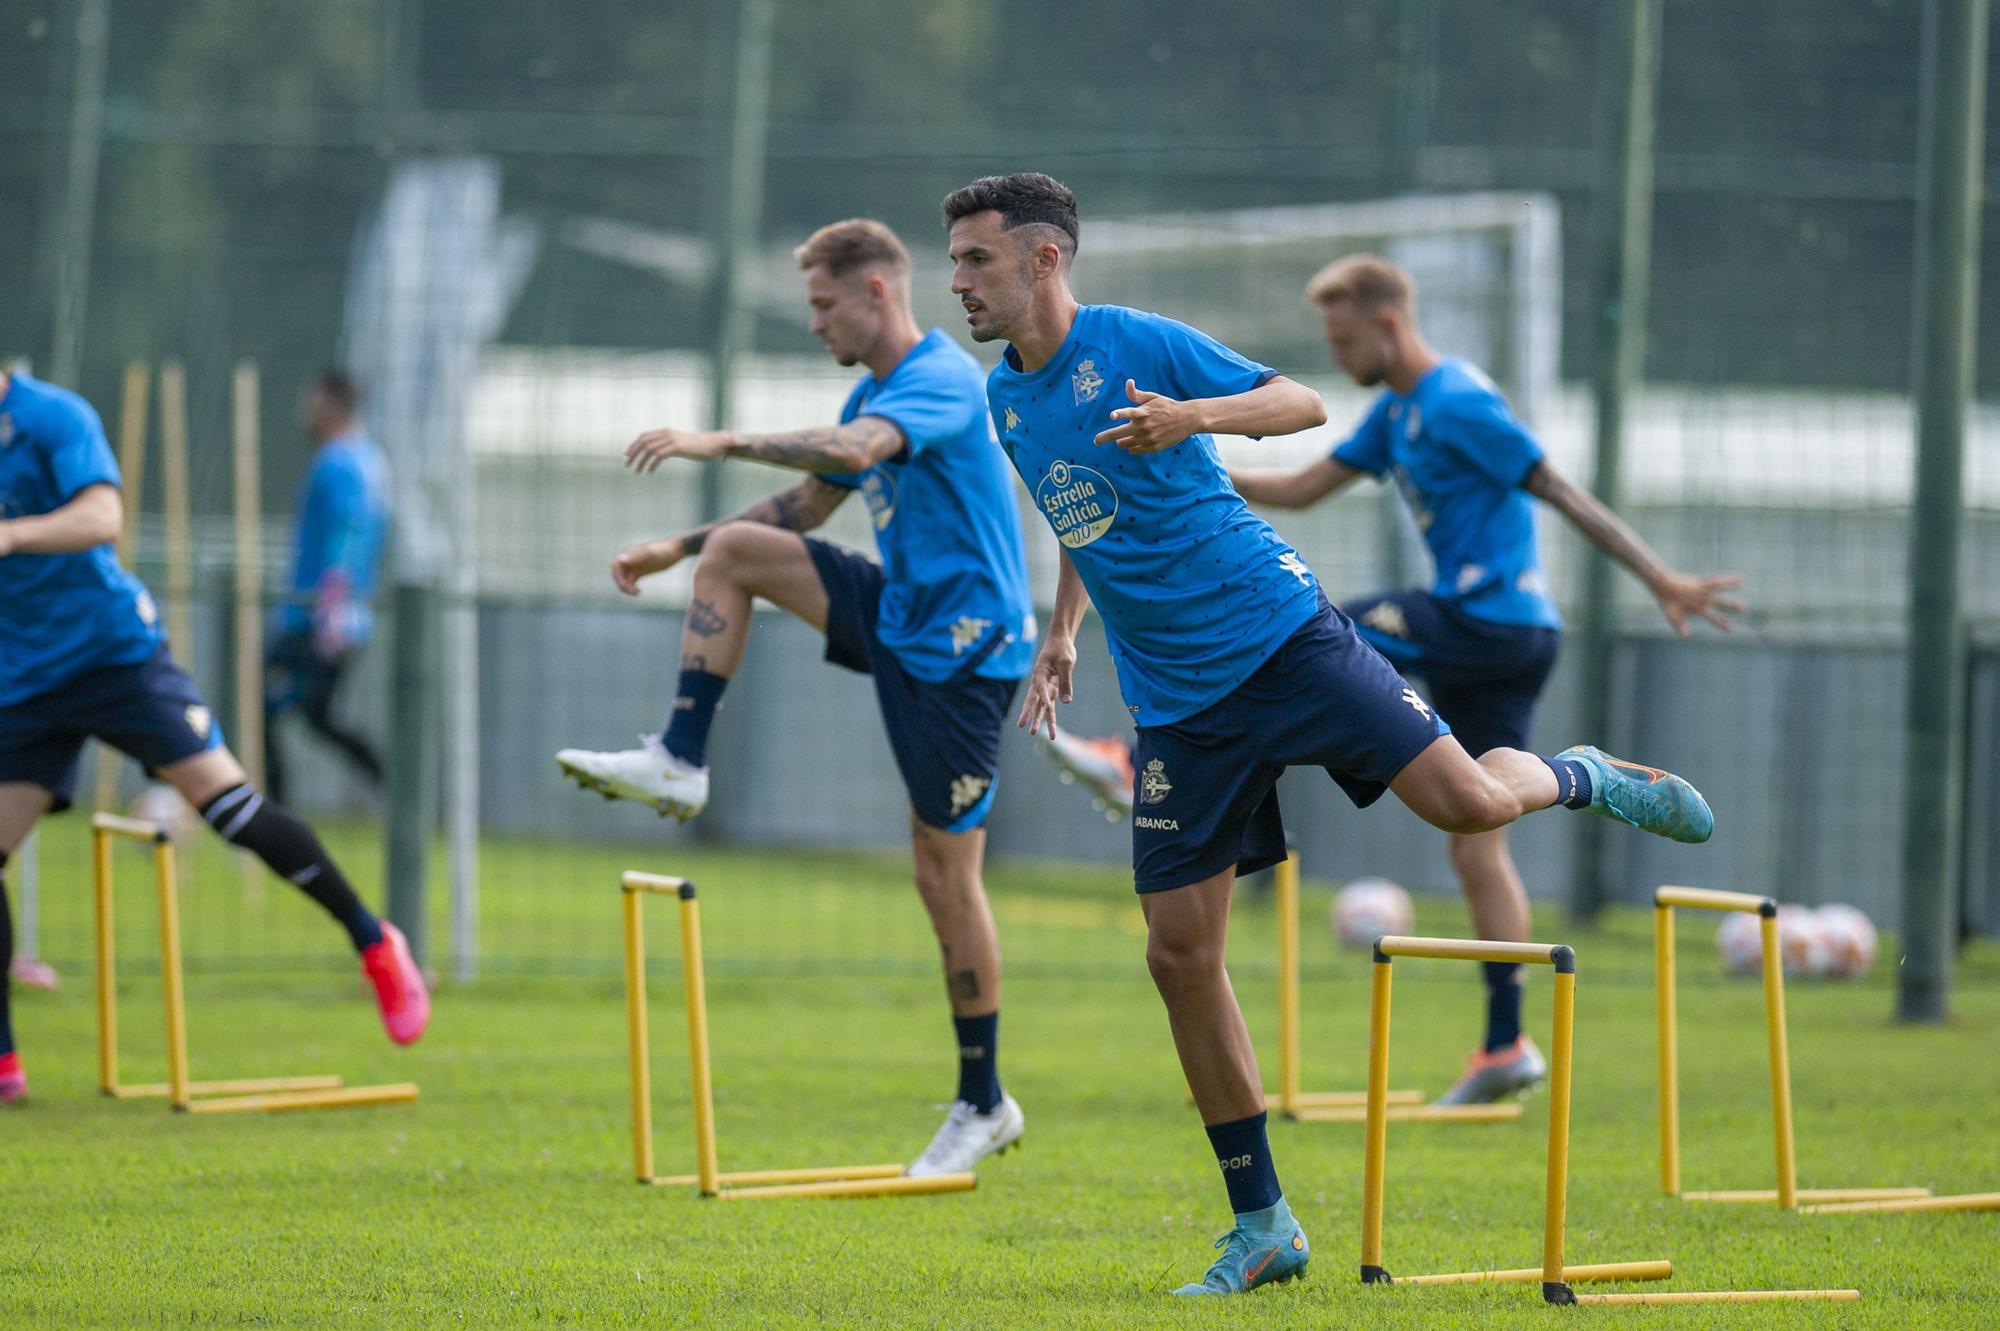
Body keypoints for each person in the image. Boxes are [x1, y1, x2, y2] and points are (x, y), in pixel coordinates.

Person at [943, 171, 1715, 1296]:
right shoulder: (1002, 398)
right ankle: (1261, 1221)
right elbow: (1076, 512)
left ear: (1043, 260)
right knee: (1176, 953)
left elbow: (1299, 402)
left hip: (1286, 637)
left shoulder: (1136, 343)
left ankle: (1578, 773)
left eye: (974, 259)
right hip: (1177, 703)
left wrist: (1190, 414)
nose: (956, 281)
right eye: (953, 260)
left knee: (1468, 804)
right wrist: (1063, 630)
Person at [555, 219, 1037, 1177]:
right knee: (740, 552)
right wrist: (678, 547)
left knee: (944, 877)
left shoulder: (940, 378)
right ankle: (680, 760)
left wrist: (721, 437)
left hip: (965, 654)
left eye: (824, 305)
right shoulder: (873, 385)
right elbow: (806, 509)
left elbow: (857, 454)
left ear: (875, 293)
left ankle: (984, 1100)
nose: (815, 324)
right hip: (901, 612)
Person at [1228, 254, 1742, 1104]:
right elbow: (1300, 488)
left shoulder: (1458, 400)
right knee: (1476, 837)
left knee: (1321, 629)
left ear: (1388, 324)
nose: (1338, 352)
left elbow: (1559, 490)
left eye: (1344, 335)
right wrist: (1188, 473)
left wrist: (1660, 579)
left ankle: (1210, 763)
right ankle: (1507, 1043)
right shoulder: (1394, 414)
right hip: (1493, 636)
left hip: (1494, 622)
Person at [0, 369, 429, 1104]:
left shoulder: (51, 416)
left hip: (115, 657)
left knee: (229, 807)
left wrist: (12, 533)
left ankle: (373, 940)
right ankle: (6, 1065)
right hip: (23, 681)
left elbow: (103, 515)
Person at [264, 370, 389, 806]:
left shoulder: (339, 463)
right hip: (335, 614)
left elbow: (347, 532)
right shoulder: (370, 460)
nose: (306, 407)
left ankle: (271, 815)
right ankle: (389, 780)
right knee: (315, 715)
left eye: (312, 398)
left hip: (316, 615)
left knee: (259, 707)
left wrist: (331, 605)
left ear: (329, 405)